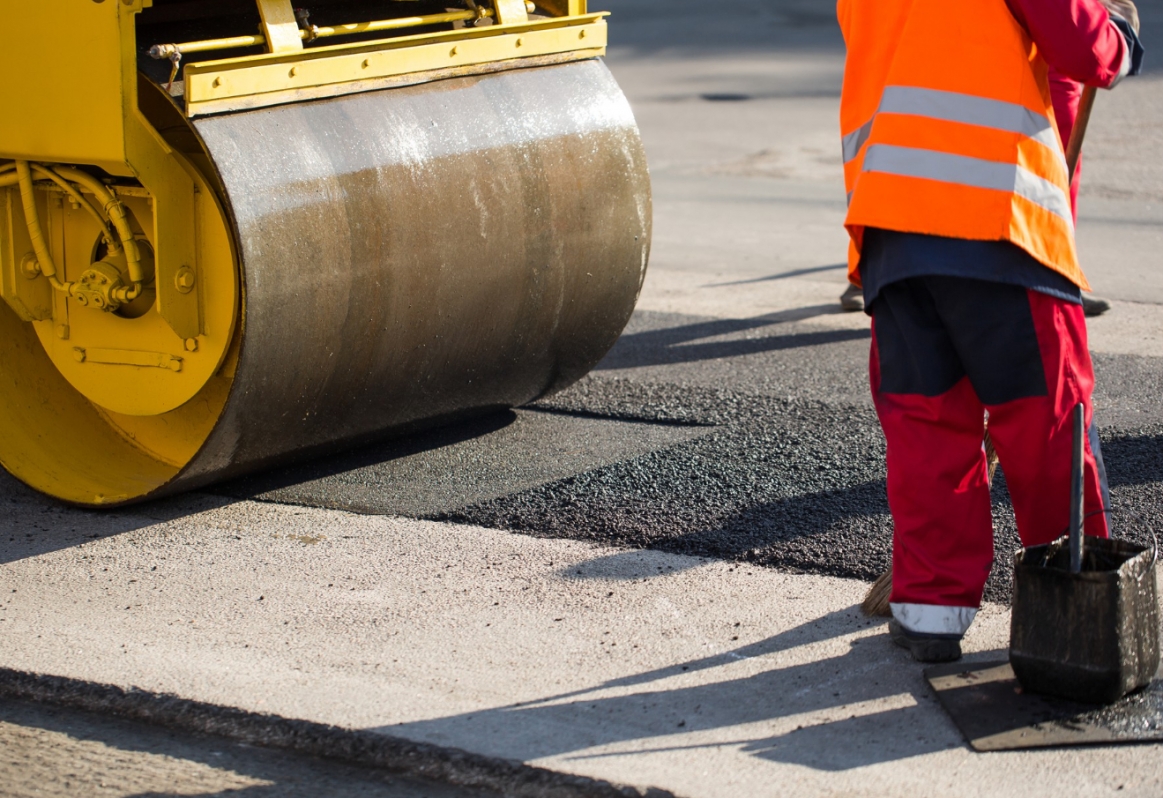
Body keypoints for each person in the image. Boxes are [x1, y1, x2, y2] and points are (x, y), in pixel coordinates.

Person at [837, 0, 1143, 662]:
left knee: (927, 431)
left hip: (890, 226)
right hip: (996, 222)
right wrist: (1115, 35)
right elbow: (1079, 47)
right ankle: (1075, 614)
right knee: (1046, 425)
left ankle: (927, 616)